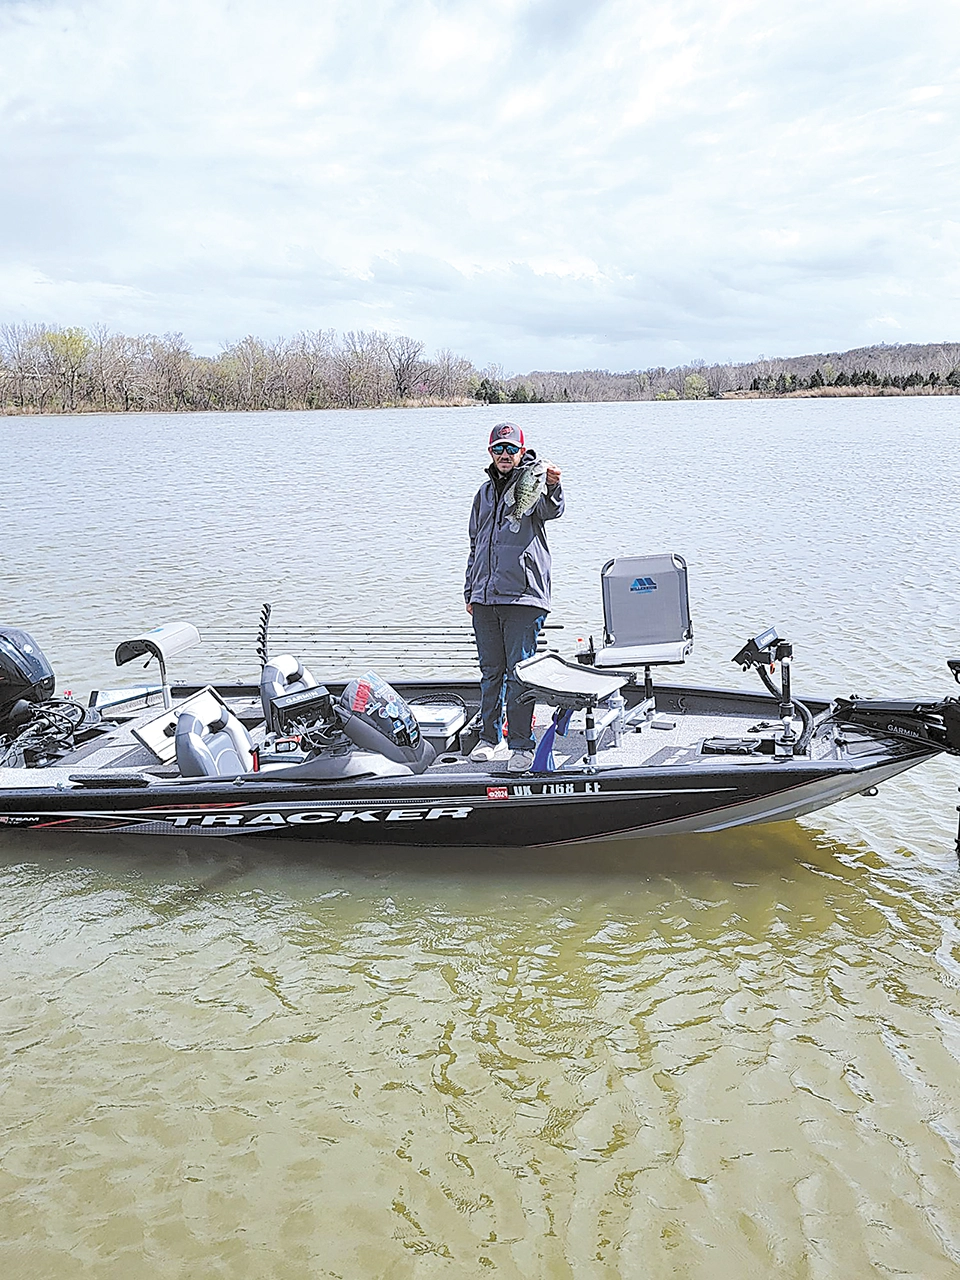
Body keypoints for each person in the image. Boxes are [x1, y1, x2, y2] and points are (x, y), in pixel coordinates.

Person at [464, 422, 564, 772]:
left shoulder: (531, 482)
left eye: (511, 449)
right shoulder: (483, 494)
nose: (505, 455)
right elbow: (475, 546)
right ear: (490, 452)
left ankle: (522, 745)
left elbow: (552, 510)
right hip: (485, 598)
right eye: (498, 449)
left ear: (522, 452)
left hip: (523, 597)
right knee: (491, 672)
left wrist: (553, 485)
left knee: (520, 673)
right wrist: (470, 591)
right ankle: (491, 739)